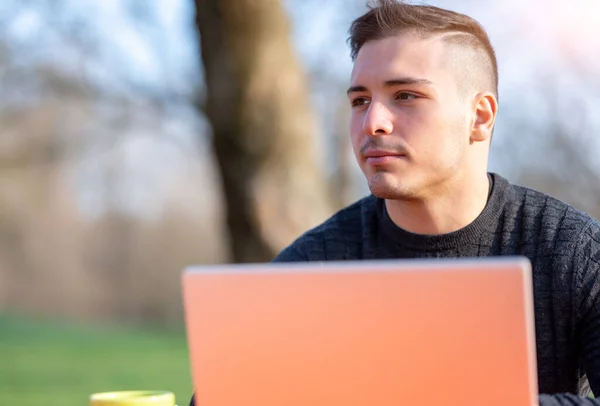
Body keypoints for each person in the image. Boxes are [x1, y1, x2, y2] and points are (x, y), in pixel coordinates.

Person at [189, 1, 600, 405]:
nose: (372, 123)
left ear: (480, 117)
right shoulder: (313, 265)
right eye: (359, 100)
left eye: (405, 95)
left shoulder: (575, 252)